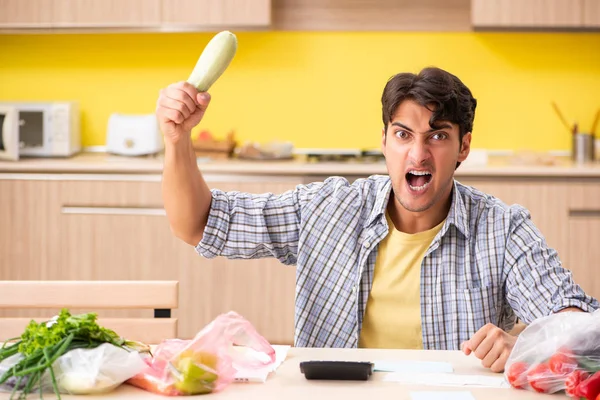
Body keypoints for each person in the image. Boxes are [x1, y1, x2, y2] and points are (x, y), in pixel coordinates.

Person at [156, 66, 599, 373]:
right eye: (403, 135)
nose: (418, 154)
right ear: (384, 142)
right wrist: (177, 140)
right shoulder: (328, 209)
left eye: (438, 136)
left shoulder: (502, 230)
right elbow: (198, 223)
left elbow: (584, 329)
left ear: (464, 147)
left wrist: (525, 343)